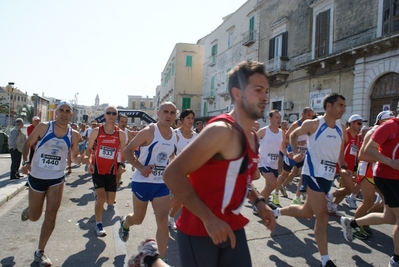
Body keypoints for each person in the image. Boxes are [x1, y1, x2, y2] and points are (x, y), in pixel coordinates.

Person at [163, 61, 276, 267]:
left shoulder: (252, 136)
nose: (265, 97)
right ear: (237, 93)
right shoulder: (221, 131)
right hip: (200, 228)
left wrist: (259, 202)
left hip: (231, 224)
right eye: (258, 90)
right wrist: (208, 218)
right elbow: (172, 174)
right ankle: (151, 259)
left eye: (266, 90)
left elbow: (239, 178)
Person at [273, 93, 350, 267]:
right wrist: (295, 153)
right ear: (328, 106)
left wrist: (343, 166)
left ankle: (277, 212)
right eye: (340, 105)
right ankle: (325, 260)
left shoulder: (341, 127)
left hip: (328, 177)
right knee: (322, 216)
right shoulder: (314, 124)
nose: (343, 109)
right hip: (312, 174)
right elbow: (292, 135)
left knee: (306, 212)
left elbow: (339, 149)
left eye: (344, 106)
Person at [20, 101, 82, 267]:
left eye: (67, 111)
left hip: (56, 178)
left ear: (71, 114)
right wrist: (26, 162)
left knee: (52, 213)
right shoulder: (43, 127)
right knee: (34, 216)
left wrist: (81, 160)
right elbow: (27, 144)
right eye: (61, 110)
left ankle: (40, 251)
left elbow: (74, 157)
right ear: (56, 113)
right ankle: (29, 211)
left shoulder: (73, 134)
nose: (63, 113)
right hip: (37, 176)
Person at [119, 102, 177, 260]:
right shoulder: (149, 131)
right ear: (158, 113)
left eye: (172, 112)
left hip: (160, 184)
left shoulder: (174, 135)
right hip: (142, 182)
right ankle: (125, 223)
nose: (169, 115)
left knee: (163, 222)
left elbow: (170, 157)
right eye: (165, 111)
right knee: (138, 219)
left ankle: (161, 260)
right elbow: (126, 151)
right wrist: (140, 167)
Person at [340, 111, 399, 267]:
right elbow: (363, 154)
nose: (387, 121)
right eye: (385, 119)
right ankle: (396, 260)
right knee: (367, 201)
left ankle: (353, 223)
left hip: (384, 174)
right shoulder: (380, 130)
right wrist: (389, 161)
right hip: (371, 173)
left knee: (389, 215)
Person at [85, 106, 126, 237]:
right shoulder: (96, 131)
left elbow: (123, 152)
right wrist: (89, 163)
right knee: (102, 199)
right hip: (97, 168)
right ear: (104, 115)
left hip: (111, 170)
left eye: (114, 113)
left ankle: (98, 196)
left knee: (110, 201)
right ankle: (98, 224)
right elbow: (89, 148)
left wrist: (121, 164)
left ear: (116, 116)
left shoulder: (120, 134)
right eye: (108, 113)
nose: (111, 115)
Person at [272, 107, 314, 205]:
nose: (310, 118)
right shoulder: (296, 124)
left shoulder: (310, 126)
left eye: (312, 116)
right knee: (284, 174)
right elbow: (287, 138)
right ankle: (276, 192)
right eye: (308, 115)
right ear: (303, 114)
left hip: (303, 154)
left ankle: (297, 197)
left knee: (302, 175)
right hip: (292, 153)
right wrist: (298, 143)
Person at [325, 114, 363, 215]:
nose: (360, 126)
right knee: (349, 188)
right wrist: (342, 163)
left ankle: (333, 206)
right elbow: (338, 148)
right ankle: (328, 197)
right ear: (352, 123)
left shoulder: (359, 138)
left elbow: (357, 153)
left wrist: (356, 167)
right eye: (359, 123)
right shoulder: (345, 133)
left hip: (350, 166)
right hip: (340, 164)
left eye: (361, 123)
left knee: (345, 188)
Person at [168, 109, 197, 230]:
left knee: (182, 200)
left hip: (190, 172)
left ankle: (170, 217)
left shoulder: (196, 136)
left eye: (192, 118)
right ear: (182, 120)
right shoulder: (175, 134)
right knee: (178, 198)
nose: (191, 120)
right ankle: (162, 213)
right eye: (188, 118)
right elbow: (170, 153)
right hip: (176, 172)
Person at [257, 110, 285, 208]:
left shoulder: (282, 133)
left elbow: (282, 147)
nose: (279, 120)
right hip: (263, 162)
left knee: (268, 186)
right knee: (273, 184)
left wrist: (288, 154)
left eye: (280, 117)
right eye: (276, 117)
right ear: (270, 119)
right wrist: (254, 154)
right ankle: (258, 205)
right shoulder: (263, 131)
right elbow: (252, 142)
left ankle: (261, 204)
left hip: (274, 163)